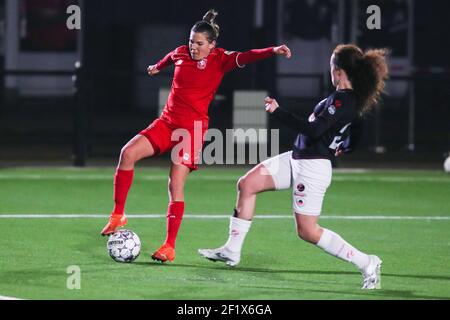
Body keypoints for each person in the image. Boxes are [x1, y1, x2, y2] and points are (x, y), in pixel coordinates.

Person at [100, 9, 292, 263]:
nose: (193, 47)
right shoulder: (182, 52)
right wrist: (157, 67)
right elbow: (171, 56)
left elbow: (247, 57)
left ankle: (169, 247)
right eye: (191, 41)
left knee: (174, 185)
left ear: (212, 45)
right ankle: (118, 214)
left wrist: (273, 50)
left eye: (199, 43)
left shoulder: (220, 59)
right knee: (128, 153)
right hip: (166, 123)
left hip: (191, 131)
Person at [198, 44, 389, 290]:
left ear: (339, 71)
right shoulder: (348, 99)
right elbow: (358, 128)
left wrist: (278, 112)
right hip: (298, 158)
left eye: (332, 67)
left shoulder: (343, 100)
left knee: (307, 231)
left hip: (313, 168)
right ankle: (232, 251)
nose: (330, 71)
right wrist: (346, 146)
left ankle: (367, 262)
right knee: (247, 184)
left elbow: (314, 130)